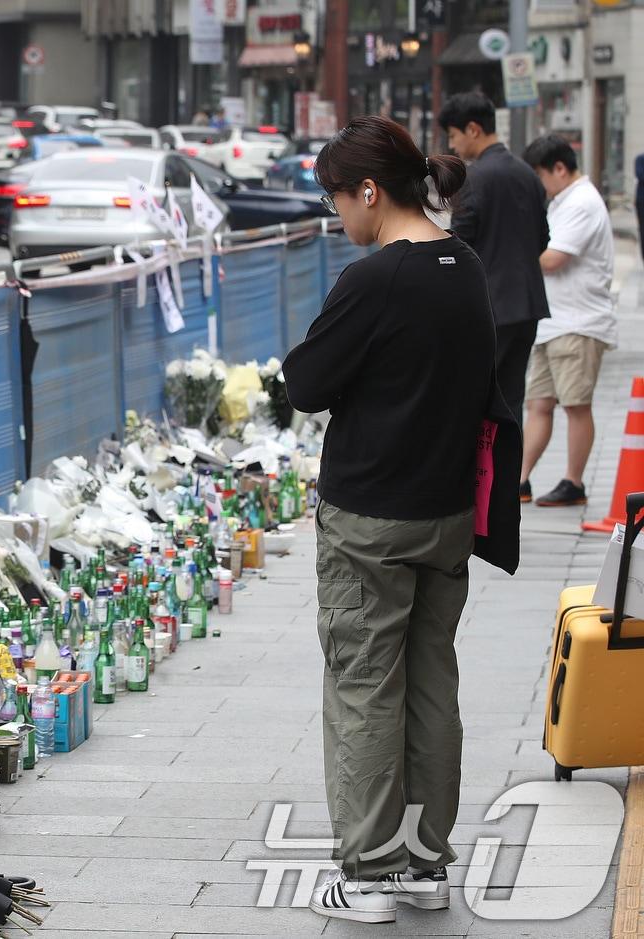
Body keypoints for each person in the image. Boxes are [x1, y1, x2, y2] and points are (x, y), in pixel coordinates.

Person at [284, 115, 509, 925]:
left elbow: (305, 382)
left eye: (337, 199)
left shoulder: (376, 279)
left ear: (369, 191)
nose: (337, 216)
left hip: (369, 518)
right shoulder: (464, 266)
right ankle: (423, 863)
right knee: (429, 687)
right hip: (445, 515)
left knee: (364, 686)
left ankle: (372, 872)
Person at [438, 92, 551, 421]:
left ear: (473, 129)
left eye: (454, 136)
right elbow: (543, 238)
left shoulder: (473, 179)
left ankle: (482, 474)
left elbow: (459, 247)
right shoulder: (528, 174)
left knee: (476, 402)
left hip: (489, 308)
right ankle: (508, 472)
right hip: (527, 306)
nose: (453, 145)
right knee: (511, 401)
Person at [519, 135, 617, 506]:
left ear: (560, 168)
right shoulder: (562, 201)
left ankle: (573, 482)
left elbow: (553, 258)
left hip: (579, 322)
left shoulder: (582, 202)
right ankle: (521, 479)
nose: (539, 185)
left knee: (576, 404)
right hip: (554, 320)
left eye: (540, 175)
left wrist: (517, 245)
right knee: (539, 403)